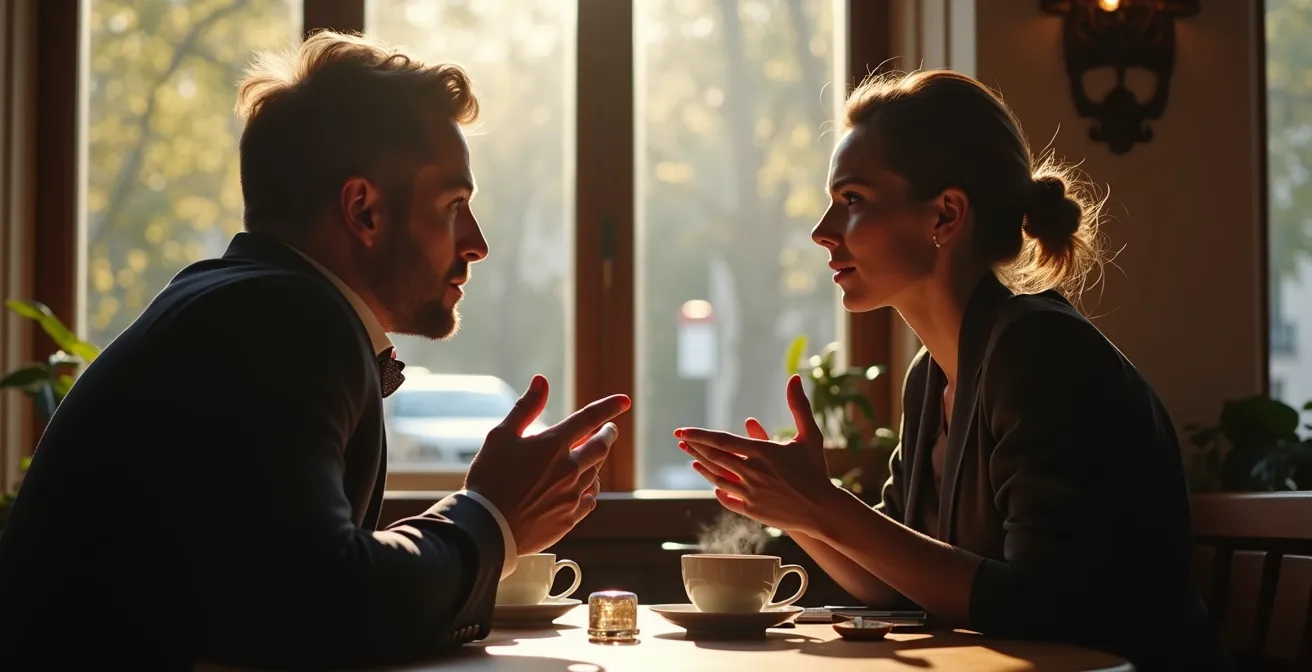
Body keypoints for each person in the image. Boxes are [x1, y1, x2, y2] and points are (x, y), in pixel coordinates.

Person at [0, 31, 630, 669]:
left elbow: (284, 582)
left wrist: (482, 514)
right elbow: (323, 606)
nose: (476, 243)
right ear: (363, 210)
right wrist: (490, 516)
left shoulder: (239, 306)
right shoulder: (285, 322)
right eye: (454, 205)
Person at [676, 70, 1230, 671]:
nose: (822, 232)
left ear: (945, 215)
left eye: (852, 200)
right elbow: (893, 584)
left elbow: (1042, 606)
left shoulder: (1041, 350)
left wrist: (821, 506)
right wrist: (798, 509)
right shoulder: (932, 376)